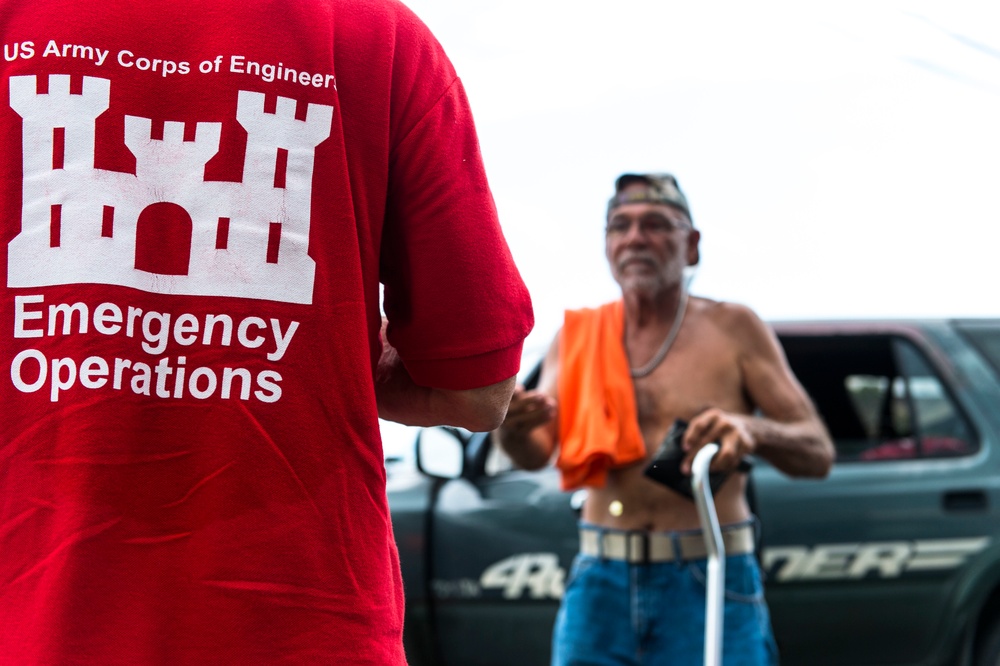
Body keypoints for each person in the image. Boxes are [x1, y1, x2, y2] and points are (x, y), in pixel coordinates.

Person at [0, 0, 533, 663]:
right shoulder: (377, 35)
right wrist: (328, 362)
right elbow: (477, 388)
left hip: (35, 625)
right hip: (304, 632)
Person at [497, 173, 834, 666]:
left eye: (655, 224)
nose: (635, 238)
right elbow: (534, 453)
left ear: (691, 244)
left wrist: (751, 429)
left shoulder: (733, 327)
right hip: (600, 577)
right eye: (620, 226)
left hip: (708, 571)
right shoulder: (576, 337)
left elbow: (817, 451)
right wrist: (513, 427)